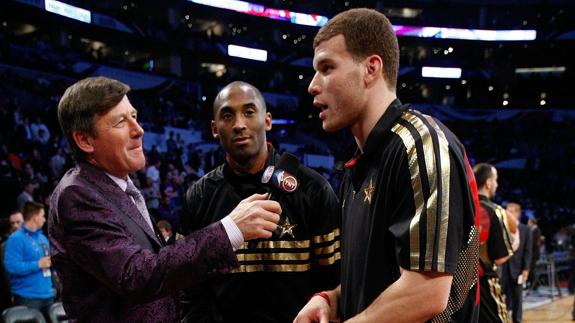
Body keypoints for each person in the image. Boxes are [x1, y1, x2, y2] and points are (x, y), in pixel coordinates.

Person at [294, 8, 480, 323]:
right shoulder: (360, 163)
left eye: (326, 67)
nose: (312, 85)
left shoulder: (421, 144)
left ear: (371, 69)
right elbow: (377, 282)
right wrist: (331, 299)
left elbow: (427, 292)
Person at [48, 76, 281, 322]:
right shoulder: (77, 194)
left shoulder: (117, 187)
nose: (139, 130)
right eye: (120, 122)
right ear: (85, 140)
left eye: (134, 117)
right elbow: (138, 276)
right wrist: (230, 229)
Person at [181, 81, 341, 322]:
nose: (239, 124)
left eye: (248, 112)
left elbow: (334, 283)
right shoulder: (198, 196)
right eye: (227, 115)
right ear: (214, 128)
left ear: (267, 121)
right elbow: (191, 292)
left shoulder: (313, 190)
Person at [473, 163, 514, 323]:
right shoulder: (494, 211)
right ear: (488, 183)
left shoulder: (460, 206)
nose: (497, 184)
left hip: (458, 283)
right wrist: (515, 241)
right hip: (484, 282)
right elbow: (500, 257)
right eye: (496, 180)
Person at [4, 202, 54, 317]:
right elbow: (12, 266)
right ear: (35, 217)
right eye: (43, 215)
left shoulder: (42, 238)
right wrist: (37, 264)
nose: (44, 220)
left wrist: (53, 286)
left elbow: (48, 264)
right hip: (28, 297)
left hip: (48, 295)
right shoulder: (16, 238)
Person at [501, 202, 532, 323]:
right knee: (503, 296)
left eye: (510, 211)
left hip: (518, 269)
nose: (507, 213)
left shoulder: (525, 230)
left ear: (517, 213)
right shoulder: (503, 227)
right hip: (503, 268)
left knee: (518, 298)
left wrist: (526, 269)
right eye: (506, 210)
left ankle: (517, 320)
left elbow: (528, 251)